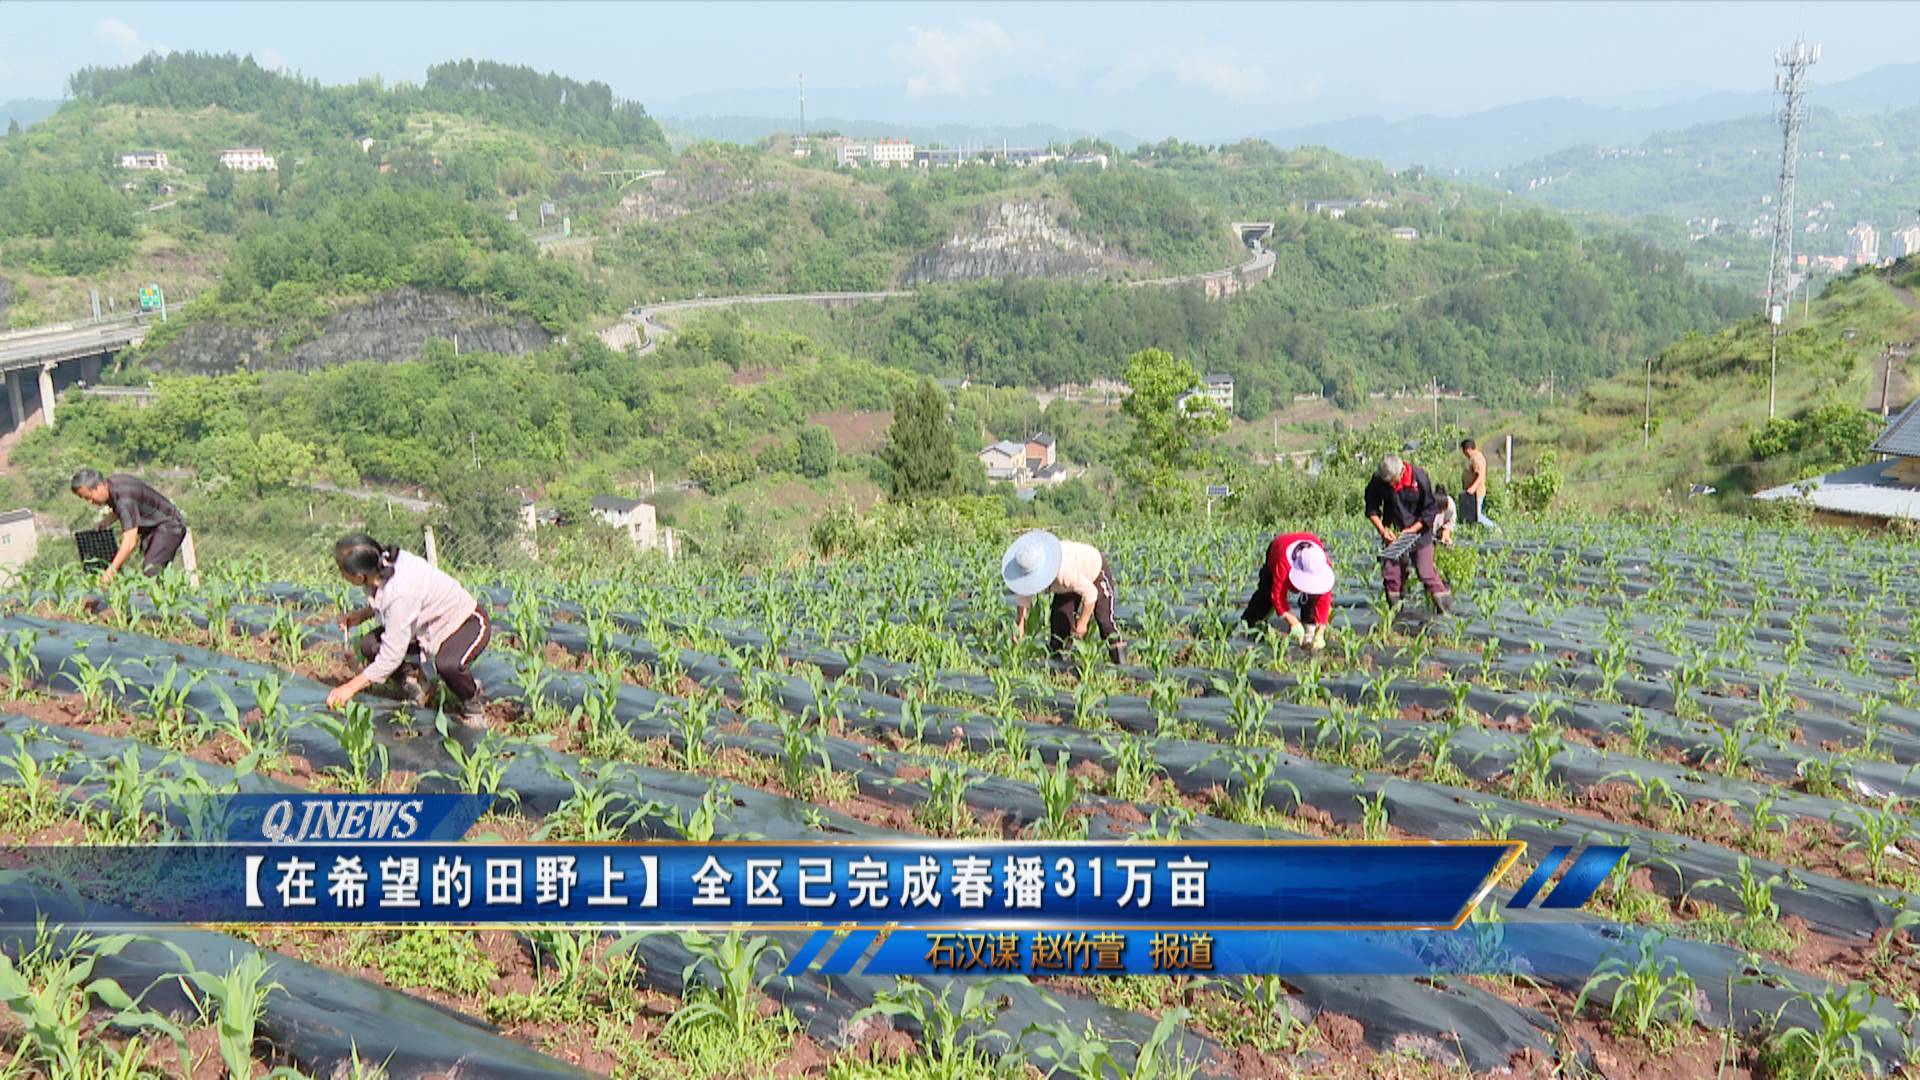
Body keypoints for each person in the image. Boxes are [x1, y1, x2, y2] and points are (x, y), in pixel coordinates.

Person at [325, 533, 493, 725]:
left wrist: (350, 688)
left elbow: (392, 655)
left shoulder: (400, 592)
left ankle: (473, 700)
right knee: (370, 645)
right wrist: (361, 615)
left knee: (448, 664)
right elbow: (384, 598)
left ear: (359, 576)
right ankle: (417, 683)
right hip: (427, 628)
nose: (341, 575)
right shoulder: (381, 565)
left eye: (342, 570)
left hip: (463, 622)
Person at [1002, 529, 1129, 664]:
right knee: (1059, 619)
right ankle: (1059, 663)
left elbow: (1091, 593)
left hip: (1093, 570)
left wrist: (1083, 622)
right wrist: (1019, 625)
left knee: (1104, 620)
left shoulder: (1063, 572)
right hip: (1068, 584)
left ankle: (1121, 664)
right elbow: (1024, 597)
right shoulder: (1027, 569)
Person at [1364, 453, 1454, 615]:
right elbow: (1371, 508)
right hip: (1394, 533)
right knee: (1392, 575)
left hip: (1420, 532)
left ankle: (1444, 612)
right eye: (1388, 483)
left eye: (1394, 481)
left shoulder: (1419, 477)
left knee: (1425, 572)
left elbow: (1430, 510)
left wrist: (1412, 530)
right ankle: (1395, 617)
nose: (1391, 485)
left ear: (1401, 472)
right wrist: (1383, 530)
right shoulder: (1379, 480)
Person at [69, 468, 188, 584]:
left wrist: (110, 572)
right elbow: (122, 509)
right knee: (153, 572)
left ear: (99, 486)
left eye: (89, 497)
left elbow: (130, 543)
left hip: (169, 526)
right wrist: (106, 522)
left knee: (151, 569)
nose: (90, 502)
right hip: (153, 528)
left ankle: (159, 602)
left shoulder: (124, 499)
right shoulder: (113, 486)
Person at [1240, 531, 1337, 651]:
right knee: (1265, 596)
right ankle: (1247, 626)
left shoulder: (1321, 563)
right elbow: (1277, 596)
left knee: (1314, 596)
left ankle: (1309, 633)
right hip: (1279, 547)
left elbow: (1325, 598)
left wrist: (1321, 630)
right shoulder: (1283, 563)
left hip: (1310, 542)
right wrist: (1293, 622)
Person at [1459, 438, 1501, 531]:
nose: (1465, 454)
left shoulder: (1477, 458)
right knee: (1471, 516)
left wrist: (1472, 488)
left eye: (1464, 451)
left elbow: (1480, 475)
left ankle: (1494, 529)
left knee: (1476, 515)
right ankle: (1476, 532)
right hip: (1471, 493)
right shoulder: (1473, 458)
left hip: (1476, 492)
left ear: (1468, 449)